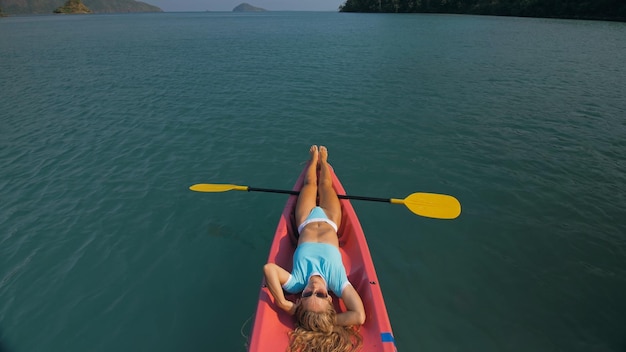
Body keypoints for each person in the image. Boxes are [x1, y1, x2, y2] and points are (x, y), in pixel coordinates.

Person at [263, 145, 365, 352]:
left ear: (300, 299)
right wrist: (328, 322)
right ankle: (325, 161)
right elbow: (359, 316)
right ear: (329, 298)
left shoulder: (297, 283)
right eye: (320, 295)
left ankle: (312, 160)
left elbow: (269, 269)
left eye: (308, 295)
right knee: (326, 183)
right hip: (330, 220)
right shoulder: (337, 282)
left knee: (309, 183)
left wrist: (284, 303)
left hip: (305, 220)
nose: (314, 289)